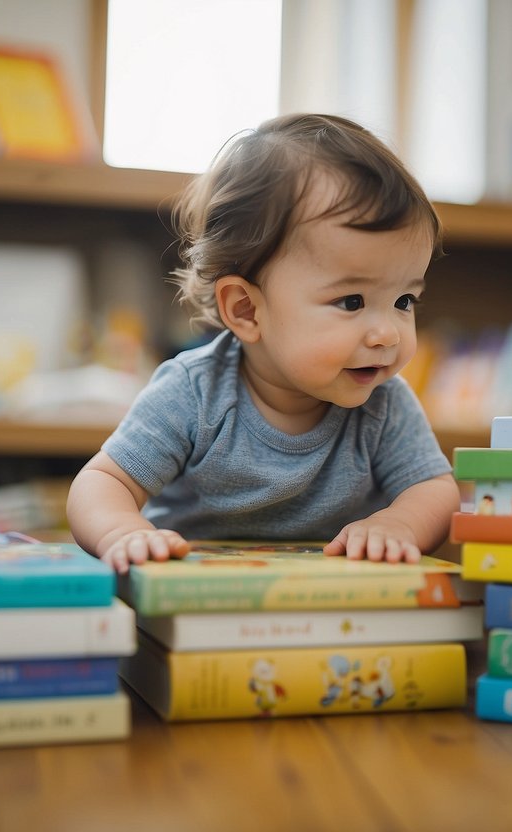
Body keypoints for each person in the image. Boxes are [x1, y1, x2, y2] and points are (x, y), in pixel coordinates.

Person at [66, 113, 460, 574]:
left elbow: (435, 489)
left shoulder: (384, 405)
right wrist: (122, 532)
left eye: (404, 301)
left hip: (331, 604)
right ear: (247, 310)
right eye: (352, 301)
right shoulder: (194, 393)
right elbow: (103, 481)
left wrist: (400, 524)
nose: (389, 333)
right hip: (196, 598)